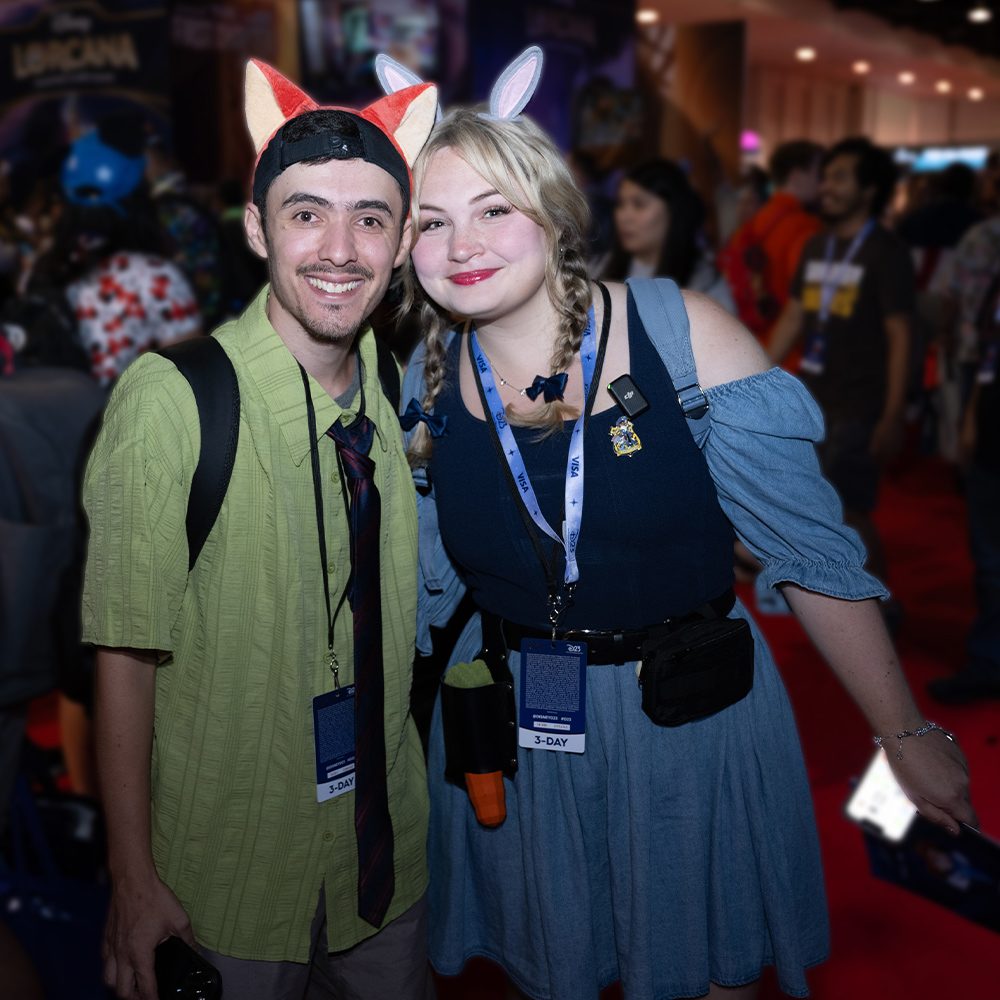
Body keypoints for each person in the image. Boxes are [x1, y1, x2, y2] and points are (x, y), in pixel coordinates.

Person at [398, 62, 974, 1000]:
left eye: (493, 209)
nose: (462, 244)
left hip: (692, 720)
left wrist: (901, 730)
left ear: (551, 212)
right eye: (431, 221)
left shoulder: (681, 332)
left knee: (713, 978)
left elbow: (811, 553)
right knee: (557, 971)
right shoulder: (416, 386)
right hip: (519, 733)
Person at [82, 60, 438, 999]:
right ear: (255, 228)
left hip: (383, 866)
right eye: (305, 211)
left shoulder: (389, 389)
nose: (339, 247)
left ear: (402, 244)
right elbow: (122, 653)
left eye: (371, 218)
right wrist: (131, 879)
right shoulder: (174, 401)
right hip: (226, 877)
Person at [768, 137, 915, 592]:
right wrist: (750, 379)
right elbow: (794, 316)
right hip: (811, 397)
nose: (826, 186)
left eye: (839, 177)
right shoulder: (816, 247)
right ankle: (840, 598)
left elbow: (901, 335)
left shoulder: (885, 253)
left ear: (868, 190)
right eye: (825, 175)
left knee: (849, 509)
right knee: (814, 507)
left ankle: (883, 605)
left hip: (859, 401)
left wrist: (893, 414)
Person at [599, 158, 735, 312]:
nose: (624, 216)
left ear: (672, 212)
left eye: (639, 205)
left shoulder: (703, 284)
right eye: (620, 204)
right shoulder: (600, 270)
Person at [720, 140, 823, 342]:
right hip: (791, 349)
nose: (823, 184)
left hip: (751, 340)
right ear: (796, 176)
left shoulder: (753, 224)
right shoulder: (806, 227)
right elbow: (806, 303)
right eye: (818, 174)